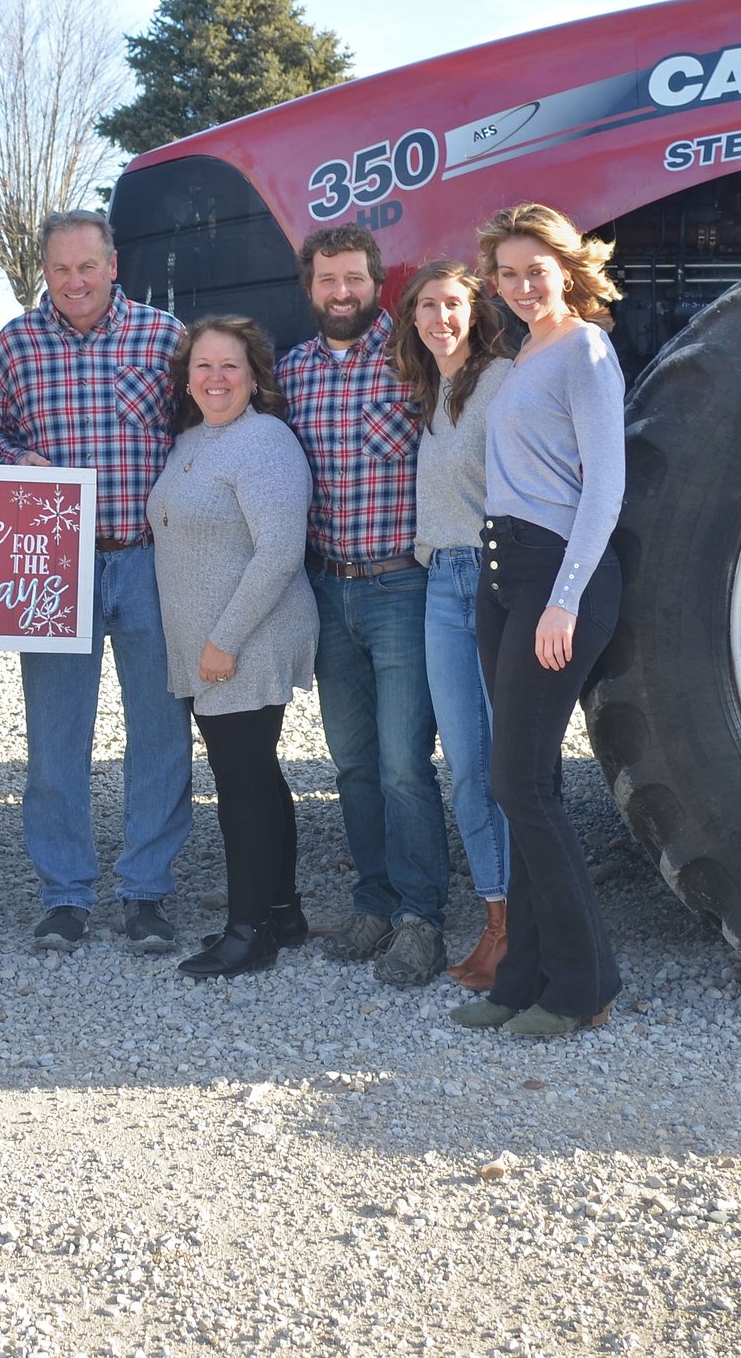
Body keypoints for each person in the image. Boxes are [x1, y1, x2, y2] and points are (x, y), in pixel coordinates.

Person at [0, 210, 193, 954]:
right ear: (44, 271)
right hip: (52, 564)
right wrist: (13, 460)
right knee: (54, 738)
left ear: (113, 265)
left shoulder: (164, 338)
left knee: (159, 733)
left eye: (87, 266)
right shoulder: (16, 343)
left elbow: (203, 432)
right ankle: (65, 894)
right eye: (60, 269)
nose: (74, 282)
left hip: (147, 559)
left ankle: (146, 892)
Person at [450, 203, 627, 1039]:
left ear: (567, 269)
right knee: (523, 783)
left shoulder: (584, 348)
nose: (522, 287)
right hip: (503, 571)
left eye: (536, 272)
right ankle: (521, 977)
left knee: (518, 782)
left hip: (556, 576)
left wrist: (564, 597)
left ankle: (584, 983)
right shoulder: (524, 352)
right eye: (509, 274)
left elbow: (606, 486)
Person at [274, 224, 451, 987]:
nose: (340, 292)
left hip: (401, 588)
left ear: (377, 282)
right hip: (327, 589)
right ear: (309, 287)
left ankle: (421, 919)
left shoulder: (415, 361)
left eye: (352, 278)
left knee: (405, 763)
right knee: (352, 763)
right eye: (326, 279)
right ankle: (372, 903)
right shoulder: (290, 374)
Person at [146, 316, 318, 978]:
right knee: (255, 773)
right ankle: (281, 910)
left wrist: (224, 640)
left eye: (230, 366)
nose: (215, 378)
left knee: (241, 784)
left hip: (248, 637)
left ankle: (248, 934)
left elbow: (279, 551)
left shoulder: (265, 441)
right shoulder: (192, 439)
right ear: (187, 377)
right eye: (204, 365)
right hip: (209, 643)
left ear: (253, 377)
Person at [391, 260, 515, 992]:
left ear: (475, 312)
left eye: (453, 304)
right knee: (467, 767)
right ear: (413, 317)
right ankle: (496, 922)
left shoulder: (500, 382)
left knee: (511, 768)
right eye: (428, 305)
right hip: (440, 582)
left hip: (494, 578)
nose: (441, 317)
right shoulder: (429, 391)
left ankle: (530, 923)